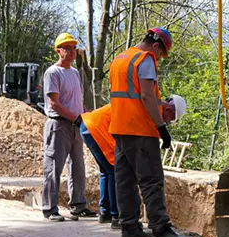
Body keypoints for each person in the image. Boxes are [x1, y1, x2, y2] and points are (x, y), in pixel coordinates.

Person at [109, 28, 191, 237]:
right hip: (140, 129)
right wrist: (161, 127)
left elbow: (127, 95)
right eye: (161, 54)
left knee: (125, 181)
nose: (159, 59)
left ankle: (130, 228)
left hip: (119, 126)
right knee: (151, 180)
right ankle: (161, 229)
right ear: (156, 45)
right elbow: (146, 95)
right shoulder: (145, 60)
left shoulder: (121, 58)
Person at [80, 94, 187, 229]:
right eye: (170, 119)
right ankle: (116, 216)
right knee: (114, 171)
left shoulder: (150, 103)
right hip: (97, 128)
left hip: (89, 125)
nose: (166, 122)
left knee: (107, 171)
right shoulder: (153, 110)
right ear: (168, 111)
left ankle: (106, 213)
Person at [41, 32, 94, 222]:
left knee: (78, 168)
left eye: (73, 48)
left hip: (75, 125)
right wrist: (76, 118)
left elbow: (75, 101)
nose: (72, 51)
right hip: (59, 125)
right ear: (58, 51)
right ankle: (49, 208)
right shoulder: (53, 73)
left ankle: (78, 205)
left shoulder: (74, 72)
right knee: (53, 168)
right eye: (67, 48)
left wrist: (86, 115)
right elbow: (54, 104)